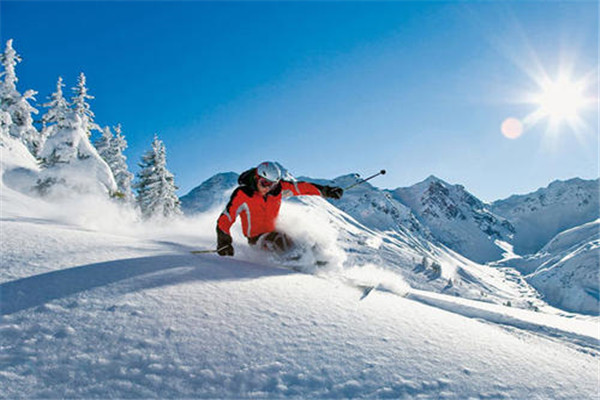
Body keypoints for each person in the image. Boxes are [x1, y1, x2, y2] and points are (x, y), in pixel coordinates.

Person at [216, 161, 344, 256]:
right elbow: (226, 218)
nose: (268, 188)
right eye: (265, 183)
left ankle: (321, 264)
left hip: (274, 232)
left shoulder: (278, 190)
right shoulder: (243, 195)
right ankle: (297, 269)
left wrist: (326, 191)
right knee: (279, 242)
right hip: (257, 239)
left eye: (272, 185)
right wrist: (224, 241)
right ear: (257, 178)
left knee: (301, 241)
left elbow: (301, 187)